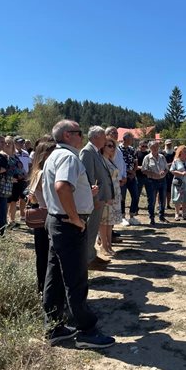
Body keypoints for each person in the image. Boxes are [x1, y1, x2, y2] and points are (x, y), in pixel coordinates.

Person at [42, 119, 115, 348]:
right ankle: (87, 331)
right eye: (78, 132)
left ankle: (54, 326)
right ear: (66, 135)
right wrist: (74, 218)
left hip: (57, 221)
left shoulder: (54, 155)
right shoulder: (68, 156)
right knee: (76, 279)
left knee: (54, 277)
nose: (82, 136)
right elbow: (62, 187)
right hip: (68, 224)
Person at [80, 126, 114, 268]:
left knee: (93, 229)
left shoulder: (96, 152)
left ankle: (91, 255)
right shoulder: (87, 152)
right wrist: (94, 199)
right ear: (95, 137)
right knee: (91, 228)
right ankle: (88, 259)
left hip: (99, 198)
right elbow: (89, 178)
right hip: (94, 199)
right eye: (102, 136)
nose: (105, 139)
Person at [27, 137, 56, 294]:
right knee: (48, 258)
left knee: (42, 257)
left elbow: (32, 198)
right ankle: (47, 293)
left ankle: (42, 290)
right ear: (46, 156)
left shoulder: (37, 172)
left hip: (41, 220)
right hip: (48, 218)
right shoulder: (45, 173)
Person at [98, 137, 123, 255]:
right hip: (106, 194)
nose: (112, 148)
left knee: (110, 221)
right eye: (109, 146)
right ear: (103, 147)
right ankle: (103, 245)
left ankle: (109, 245)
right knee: (104, 221)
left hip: (115, 194)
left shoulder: (110, 160)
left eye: (113, 146)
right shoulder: (101, 160)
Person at [141, 140, 168, 225]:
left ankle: (161, 216)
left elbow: (166, 168)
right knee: (151, 200)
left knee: (163, 199)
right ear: (150, 148)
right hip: (151, 181)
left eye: (157, 146)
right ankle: (151, 218)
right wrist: (153, 174)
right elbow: (144, 170)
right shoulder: (147, 158)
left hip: (162, 180)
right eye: (153, 147)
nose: (155, 148)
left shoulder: (162, 157)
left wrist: (164, 172)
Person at [4, 137, 26, 229]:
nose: (9, 145)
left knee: (13, 202)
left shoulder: (14, 156)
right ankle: (3, 221)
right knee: (6, 203)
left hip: (18, 182)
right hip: (8, 183)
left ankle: (11, 221)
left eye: (11, 143)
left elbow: (21, 167)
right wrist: (10, 178)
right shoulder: (3, 156)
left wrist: (24, 174)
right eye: (6, 143)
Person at [119, 131, 140, 226]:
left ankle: (132, 216)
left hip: (132, 176)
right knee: (122, 197)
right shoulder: (118, 149)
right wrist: (126, 173)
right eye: (131, 138)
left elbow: (136, 162)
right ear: (125, 139)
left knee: (135, 195)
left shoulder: (132, 149)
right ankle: (122, 217)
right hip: (122, 177)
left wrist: (134, 172)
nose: (132, 140)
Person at [170, 145, 186, 221]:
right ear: (180, 152)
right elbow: (172, 170)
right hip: (178, 182)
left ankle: (184, 213)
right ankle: (177, 214)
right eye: (185, 151)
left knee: (185, 198)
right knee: (178, 198)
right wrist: (181, 173)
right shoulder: (176, 161)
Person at [14, 136, 31, 221]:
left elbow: (29, 164)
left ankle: (22, 215)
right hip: (15, 178)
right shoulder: (13, 153)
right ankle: (11, 218)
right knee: (13, 199)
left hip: (25, 178)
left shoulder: (26, 153)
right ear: (15, 143)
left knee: (23, 196)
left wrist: (28, 175)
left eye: (22, 142)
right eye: (20, 142)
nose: (21, 144)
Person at [135, 140, 150, 213]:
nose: (144, 148)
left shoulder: (148, 154)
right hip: (139, 176)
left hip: (147, 176)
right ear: (139, 146)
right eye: (142, 146)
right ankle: (135, 209)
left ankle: (150, 208)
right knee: (137, 194)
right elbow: (135, 166)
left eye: (145, 146)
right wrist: (142, 167)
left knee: (149, 194)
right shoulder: (136, 153)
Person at [161, 139, 176, 209]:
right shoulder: (162, 153)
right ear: (165, 145)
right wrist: (169, 164)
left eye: (170, 144)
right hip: (163, 173)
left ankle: (168, 204)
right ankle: (160, 204)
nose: (169, 146)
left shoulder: (174, 153)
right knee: (161, 189)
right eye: (167, 144)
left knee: (169, 190)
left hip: (171, 174)